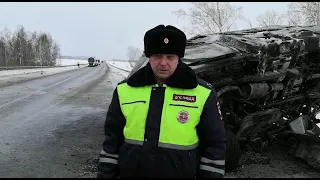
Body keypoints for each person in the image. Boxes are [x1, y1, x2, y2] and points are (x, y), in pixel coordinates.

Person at [97, 24, 227, 178]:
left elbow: (215, 145)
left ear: (179, 58)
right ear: (149, 57)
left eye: (170, 57)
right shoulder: (124, 90)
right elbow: (111, 142)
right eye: (157, 56)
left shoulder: (203, 93)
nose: (163, 63)